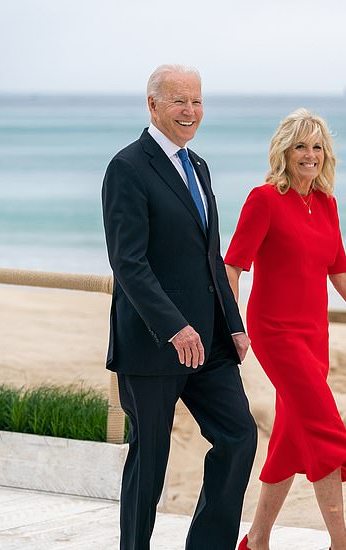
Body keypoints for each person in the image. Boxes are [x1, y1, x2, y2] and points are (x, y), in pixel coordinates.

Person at [224, 108, 346, 550]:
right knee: (325, 429)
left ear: (326, 154)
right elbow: (233, 266)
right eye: (300, 146)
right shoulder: (264, 199)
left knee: (291, 439)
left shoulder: (327, 204)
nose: (309, 155)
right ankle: (340, 543)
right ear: (284, 152)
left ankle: (257, 541)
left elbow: (341, 274)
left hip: (314, 335)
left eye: (316, 146)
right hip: (274, 333)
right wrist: (233, 327)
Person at [101, 64, 257, 550]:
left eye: (197, 101)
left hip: (209, 342)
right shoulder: (127, 168)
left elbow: (211, 257)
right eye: (178, 101)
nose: (190, 111)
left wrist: (233, 323)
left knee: (239, 438)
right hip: (154, 344)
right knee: (150, 464)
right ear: (153, 105)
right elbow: (129, 262)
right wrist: (173, 327)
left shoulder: (199, 166)